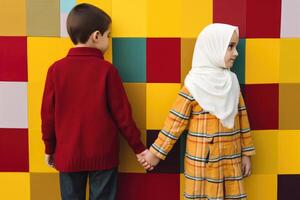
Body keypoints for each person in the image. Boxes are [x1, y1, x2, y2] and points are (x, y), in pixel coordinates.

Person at [41, 3, 148, 200]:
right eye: (109, 35)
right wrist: (139, 148)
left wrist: (50, 147)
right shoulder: (107, 71)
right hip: (103, 158)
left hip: (68, 156)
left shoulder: (56, 70)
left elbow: (47, 116)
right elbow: (123, 115)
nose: (109, 40)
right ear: (96, 36)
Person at [139, 23, 255, 200]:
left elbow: (242, 118)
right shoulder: (194, 85)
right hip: (202, 162)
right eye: (230, 47)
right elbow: (174, 123)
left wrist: (246, 154)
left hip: (230, 160)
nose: (236, 53)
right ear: (212, 47)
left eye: (235, 47)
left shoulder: (232, 81)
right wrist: (155, 154)